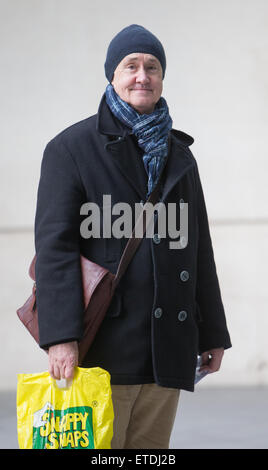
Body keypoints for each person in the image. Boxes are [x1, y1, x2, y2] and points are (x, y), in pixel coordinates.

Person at [34, 24, 232, 449]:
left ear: (162, 77)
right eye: (131, 66)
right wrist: (60, 338)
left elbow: (198, 248)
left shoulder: (181, 155)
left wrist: (213, 331)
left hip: (166, 353)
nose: (142, 75)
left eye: (152, 67)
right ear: (112, 75)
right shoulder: (71, 149)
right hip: (102, 350)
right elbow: (55, 251)